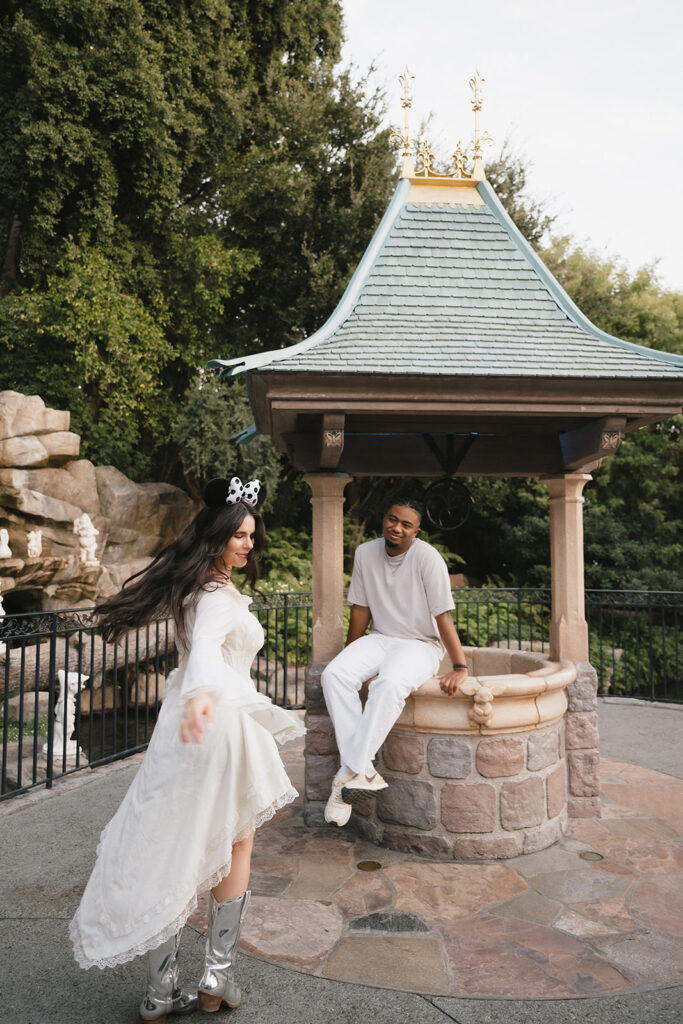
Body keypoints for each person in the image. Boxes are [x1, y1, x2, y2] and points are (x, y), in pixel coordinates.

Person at [70, 476, 304, 1020]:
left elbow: (197, 650)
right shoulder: (218, 596)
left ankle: (160, 991)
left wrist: (195, 695)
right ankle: (216, 978)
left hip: (180, 727)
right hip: (214, 721)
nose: (248, 543)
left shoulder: (194, 588)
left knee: (168, 845)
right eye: (239, 534)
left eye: (252, 534)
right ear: (217, 536)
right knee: (235, 844)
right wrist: (202, 693)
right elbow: (202, 652)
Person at [322, 498, 468, 826]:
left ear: (416, 531)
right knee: (334, 675)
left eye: (406, 524)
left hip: (420, 644)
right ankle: (362, 771)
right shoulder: (364, 553)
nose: (397, 527)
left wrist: (460, 666)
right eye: (392, 519)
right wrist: (350, 653)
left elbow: (441, 614)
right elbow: (360, 608)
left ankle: (348, 773)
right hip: (380, 638)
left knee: (389, 683)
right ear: (384, 519)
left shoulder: (428, 558)